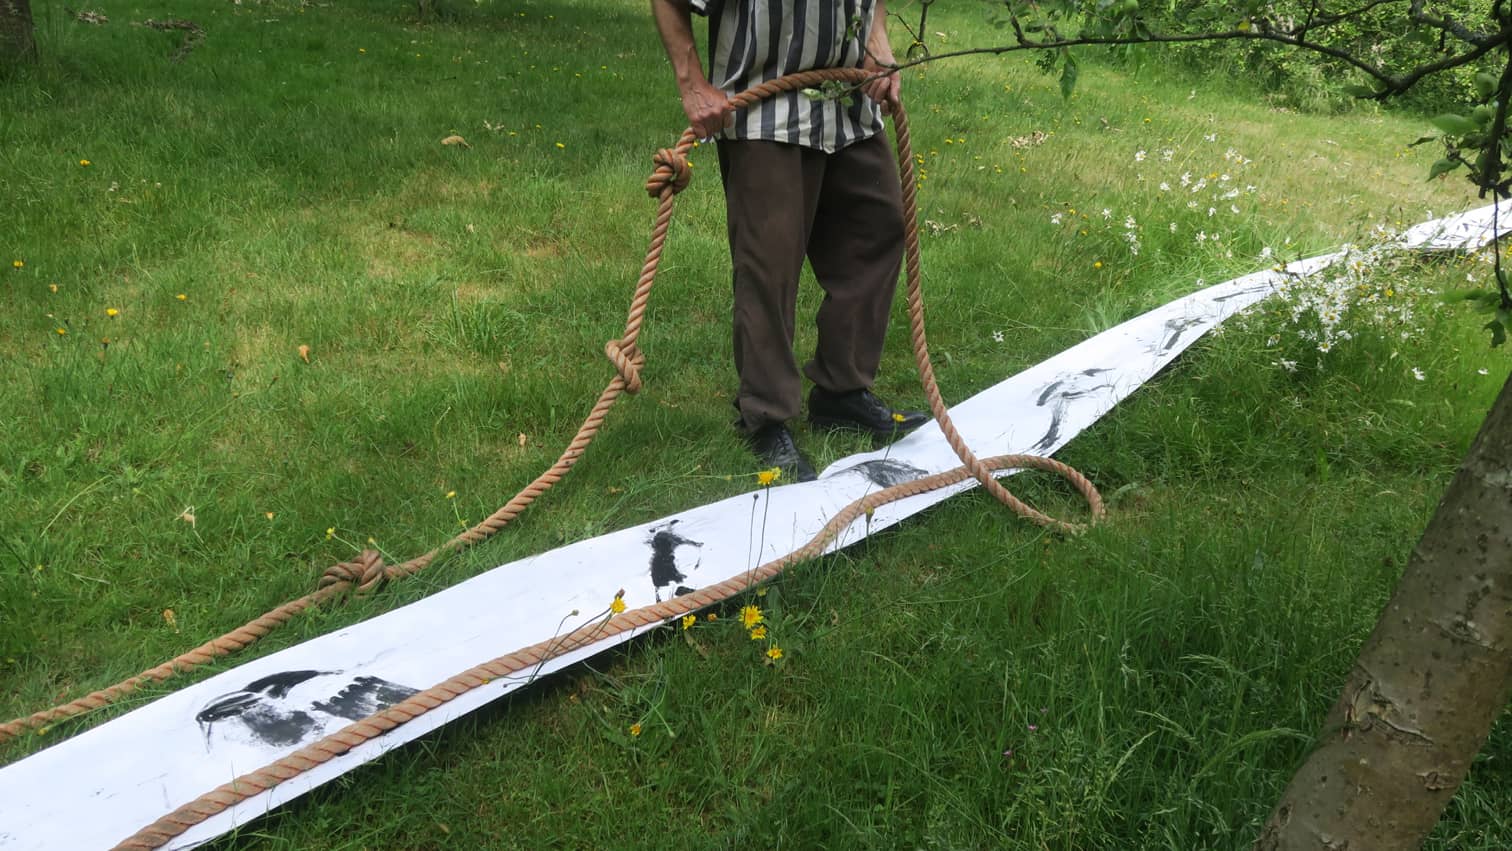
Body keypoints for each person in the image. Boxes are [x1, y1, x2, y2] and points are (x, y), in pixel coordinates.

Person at [652, 0, 928, 483]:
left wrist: (875, 40)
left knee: (878, 227)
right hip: (766, 110)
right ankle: (765, 415)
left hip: (848, 102)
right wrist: (692, 83)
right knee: (770, 262)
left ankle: (841, 392)